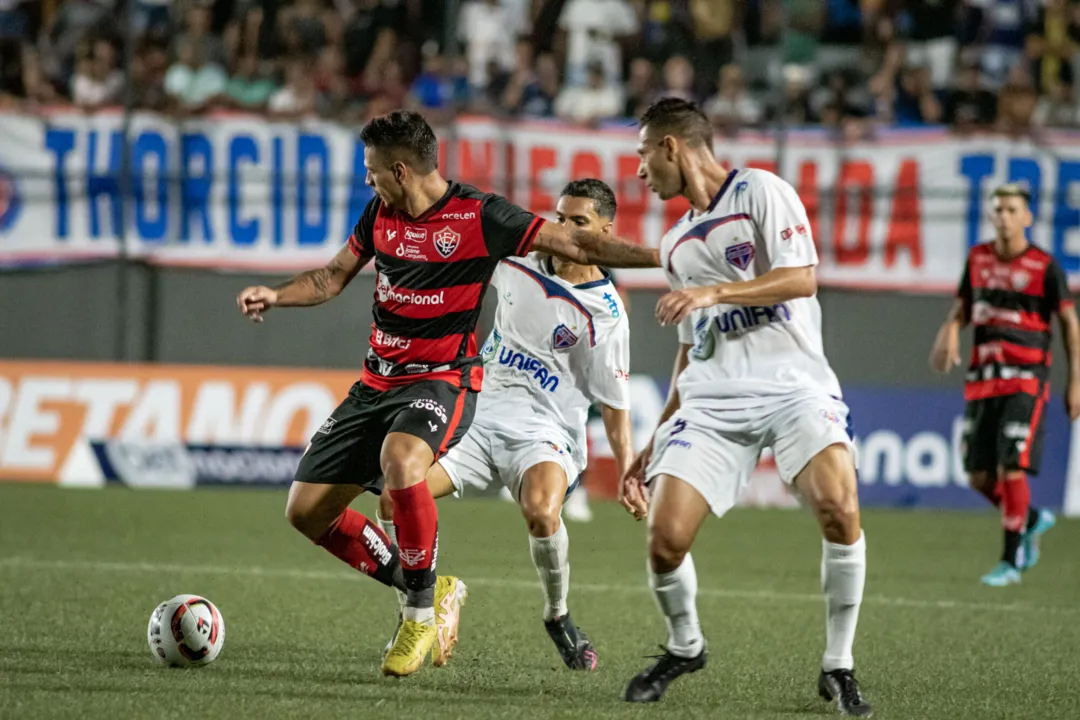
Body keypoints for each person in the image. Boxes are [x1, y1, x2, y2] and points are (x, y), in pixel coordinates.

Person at [236, 110, 658, 678]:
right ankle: (432, 590)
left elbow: (578, 247)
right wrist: (276, 295)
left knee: (407, 466)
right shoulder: (381, 214)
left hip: (447, 381)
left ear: (402, 170)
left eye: (373, 171)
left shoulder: (483, 218)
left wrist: (666, 258)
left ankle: (426, 616)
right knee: (307, 513)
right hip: (377, 383)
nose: (368, 180)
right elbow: (330, 277)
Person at [620, 98, 872, 716]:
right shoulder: (676, 243)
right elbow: (691, 349)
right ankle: (685, 645)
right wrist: (655, 437)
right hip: (712, 400)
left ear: (672, 146)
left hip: (794, 387)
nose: (640, 171)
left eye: (644, 154)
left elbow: (801, 277)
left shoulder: (760, 189)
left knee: (840, 509)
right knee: (664, 542)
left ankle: (838, 665)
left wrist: (715, 290)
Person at [377, 179, 639, 670]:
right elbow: (461, 239)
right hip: (475, 415)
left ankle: (557, 615)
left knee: (542, 512)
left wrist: (627, 468)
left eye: (579, 222)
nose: (565, 230)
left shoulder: (606, 314)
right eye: (560, 217)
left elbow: (615, 406)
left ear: (606, 230)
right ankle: (424, 607)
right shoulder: (516, 262)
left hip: (545, 431)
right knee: (394, 495)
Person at [930, 183, 1079, 586]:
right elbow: (964, 305)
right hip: (983, 379)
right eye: (998, 210)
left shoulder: (1045, 266)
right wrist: (949, 329)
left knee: (1010, 466)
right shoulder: (977, 258)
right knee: (979, 476)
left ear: (1027, 217)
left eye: (1012, 210)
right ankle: (1029, 519)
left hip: (1026, 380)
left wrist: (1075, 382)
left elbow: (1069, 323)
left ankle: (1010, 561)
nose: (1004, 217)